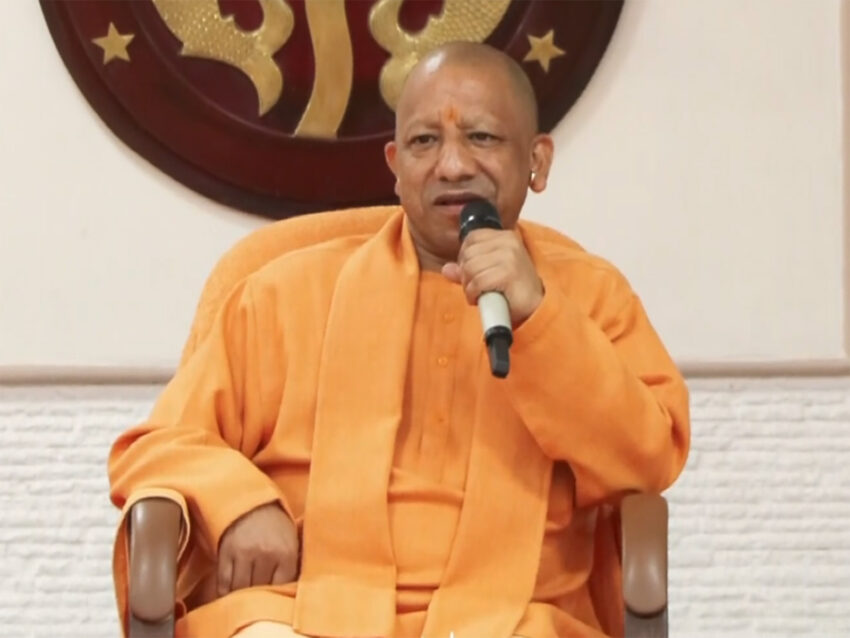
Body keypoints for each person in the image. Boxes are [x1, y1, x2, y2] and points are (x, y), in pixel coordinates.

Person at [109, 42, 690, 638]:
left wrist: (541, 317)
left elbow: (647, 459)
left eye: (482, 138)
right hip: (304, 610)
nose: (452, 166)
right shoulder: (285, 293)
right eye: (424, 142)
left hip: (515, 617)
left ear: (537, 161)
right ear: (395, 165)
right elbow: (159, 443)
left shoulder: (590, 296)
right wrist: (238, 502)